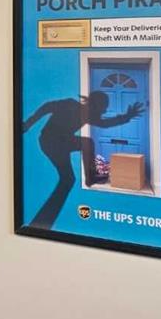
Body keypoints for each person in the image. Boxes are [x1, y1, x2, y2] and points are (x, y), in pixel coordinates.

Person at [22, 91, 145, 230]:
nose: (104, 111)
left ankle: (42, 222)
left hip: (56, 142)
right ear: (96, 104)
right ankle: (90, 178)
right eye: (103, 108)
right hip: (51, 141)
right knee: (86, 145)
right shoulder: (70, 104)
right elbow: (47, 106)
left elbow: (105, 123)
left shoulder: (88, 115)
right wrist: (28, 123)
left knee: (68, 179)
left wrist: (127, 117)